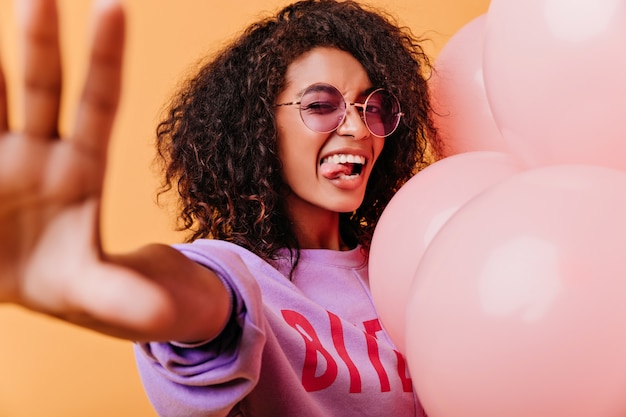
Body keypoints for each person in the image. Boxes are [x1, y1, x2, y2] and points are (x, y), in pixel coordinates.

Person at [0, 0, 437, 415]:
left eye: (374, 107)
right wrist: (110, 280)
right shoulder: (242, 277)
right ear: (260, 126)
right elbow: (200, 294)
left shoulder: (412, 260)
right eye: (322, 105)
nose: (360, 127)